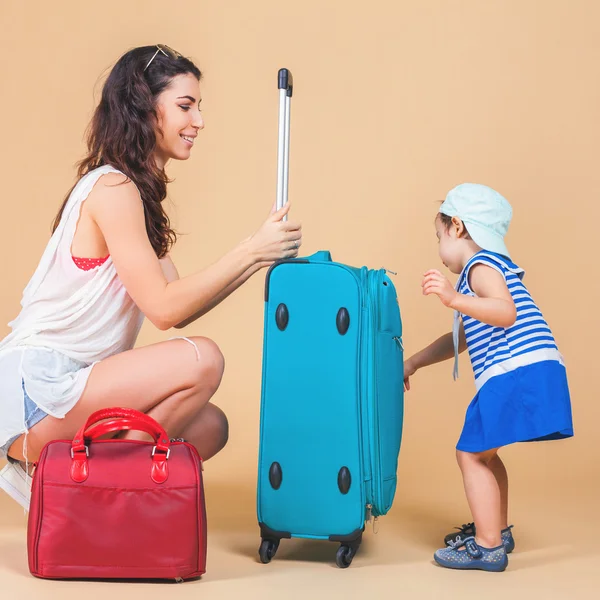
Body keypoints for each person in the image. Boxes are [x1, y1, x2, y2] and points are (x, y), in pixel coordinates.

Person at [0, 44, 302, 510]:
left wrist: (258, 257)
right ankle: (84, 492)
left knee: (209, 427)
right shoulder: (113, 188)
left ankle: (89, 493)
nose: (199, 120)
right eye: (185, 106)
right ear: (144, 108)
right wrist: (251, 249)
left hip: (78, 389)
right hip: (40, 396)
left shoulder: (138, 197)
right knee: (205, 358)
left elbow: (178, 305)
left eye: (198, 107)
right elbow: (163, 309)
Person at [403, 183, 573, 572]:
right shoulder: (480, 277)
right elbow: (459, 338)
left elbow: (505, 312)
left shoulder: (482, 267)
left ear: (457, 228)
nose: (438, 248)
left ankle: (488, 545)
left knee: (470, 454)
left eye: (438, 235)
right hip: (531, 369)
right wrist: (412, 362)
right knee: (486, 453)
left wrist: (451, 299)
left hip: (517, 370)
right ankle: (495, 528)